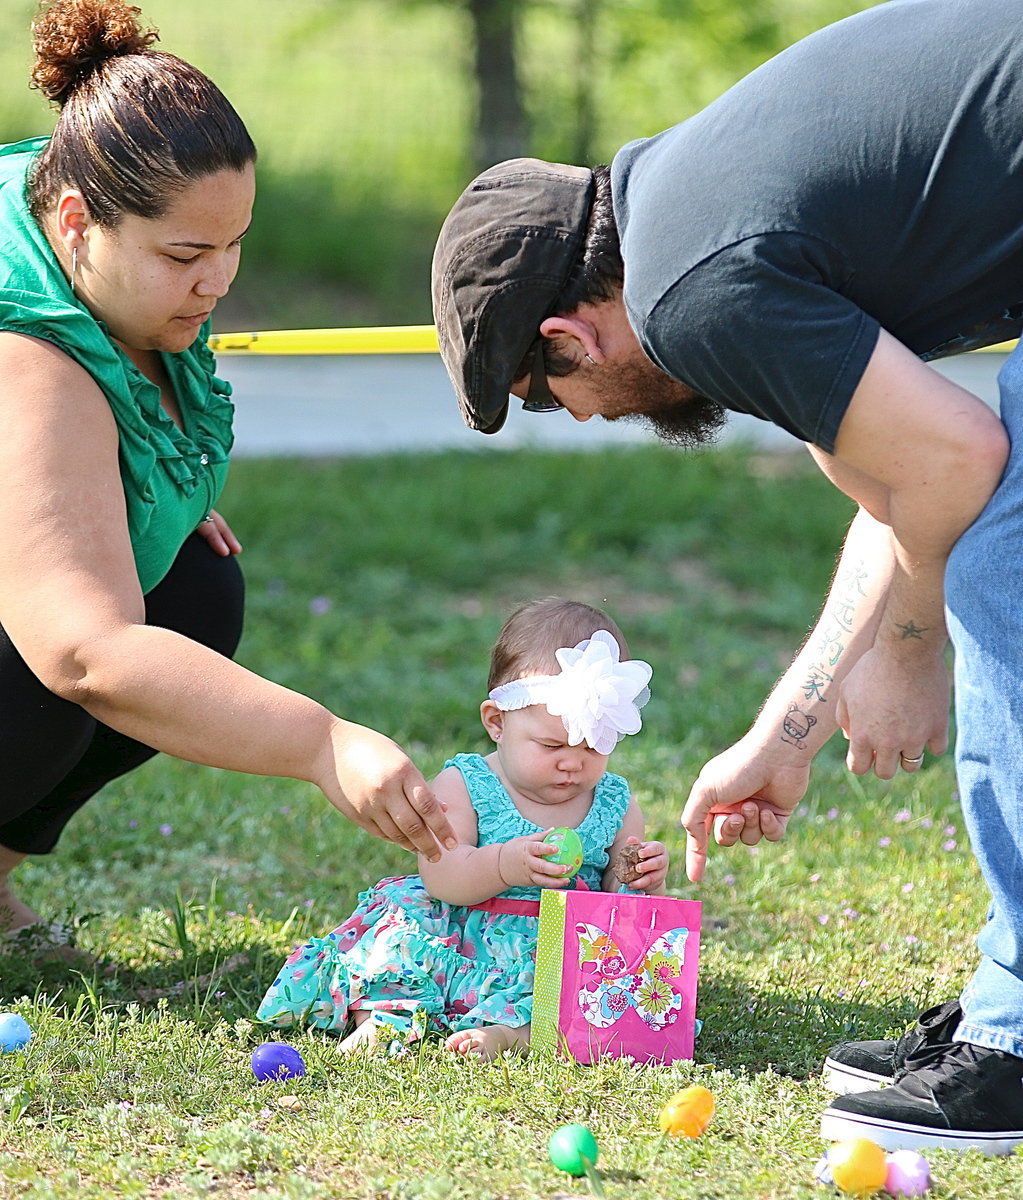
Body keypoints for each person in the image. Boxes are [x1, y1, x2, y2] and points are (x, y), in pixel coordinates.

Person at [430, 0, 1023, 1154]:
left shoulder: (690, 296)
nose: (591, 421)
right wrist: (788, 732)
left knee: (1003, 564)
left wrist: (911, 654)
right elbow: (900, 488)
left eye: (555, 400)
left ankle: (1016, 1038)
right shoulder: (690, 219)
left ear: (570, 336)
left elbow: (962, 467)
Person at [0, 0, 457, 946]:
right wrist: (323, 743)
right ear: (79, 222)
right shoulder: (27, 354)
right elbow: (83, 653)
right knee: (66, 666)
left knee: (192, 589)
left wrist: (143, 501)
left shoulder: (49, 207)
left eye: (233, 243)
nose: (219, 282)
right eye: (184, 254)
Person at [256, 597, 667, 1060]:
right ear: (497, 722)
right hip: (464, 925)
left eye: (593, 747)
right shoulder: (466, 784)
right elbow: (443, 876)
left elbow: (614, 894)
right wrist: (505, 863)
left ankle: (512, 1035)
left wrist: (636, 873)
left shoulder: (614, 801)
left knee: (588, 983)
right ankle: (385, 1017)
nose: (572, 761)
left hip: (552, 943)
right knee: (400, 941)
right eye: (551, 744)